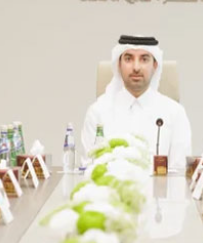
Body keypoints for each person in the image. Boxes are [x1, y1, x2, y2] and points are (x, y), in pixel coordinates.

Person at [81, 35, 191, 170]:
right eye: (128, 59)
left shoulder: (175, 113)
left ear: (155, 65)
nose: (136, 67)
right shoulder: (97, 112)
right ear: (119, 65)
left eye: (144, 59)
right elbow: (88, 168)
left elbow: (179, 172)